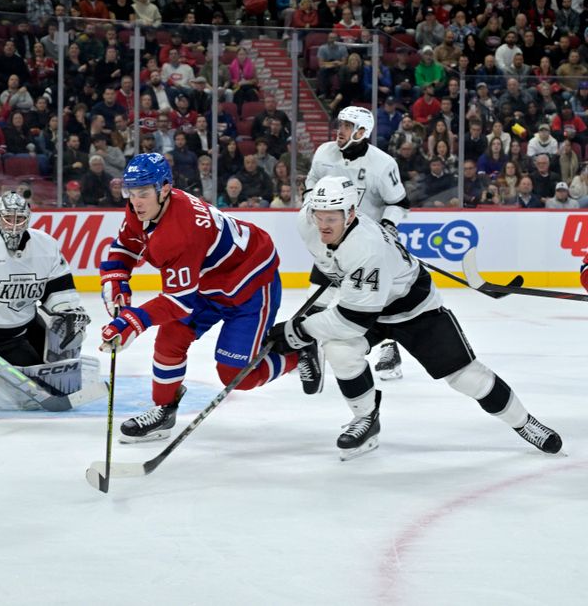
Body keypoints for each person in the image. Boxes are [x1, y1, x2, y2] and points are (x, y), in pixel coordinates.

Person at [265, 176, 563, 460]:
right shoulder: (307, 222)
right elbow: (330, 267)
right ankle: (366, 420)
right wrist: (308, 327)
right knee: (341, 351)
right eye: (318, 215)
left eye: (332, 218)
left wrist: (298, 332)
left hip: (415, 308)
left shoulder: (367, 247)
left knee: (467, 378)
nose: (323, 225)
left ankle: (524, 423)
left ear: (351, 213)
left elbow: (353, 319)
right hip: (370, 303)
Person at [98, 153, 322, 443]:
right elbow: (126, 246)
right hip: (204, 284)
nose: (136, 201)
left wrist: (133, 321)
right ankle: (164, 410)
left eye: (143, 193)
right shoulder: (141, 210)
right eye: (131, 192)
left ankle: (298, 354)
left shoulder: (182, 231)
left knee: (235, 376)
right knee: (170, 340)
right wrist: (115, 277)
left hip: (249, 285)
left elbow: (178, 302)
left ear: (164, 189)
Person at [0, 191, 95, 412]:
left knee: (62, 344)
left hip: (29, 323)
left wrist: (71, 313)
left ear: (28, 219)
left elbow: (59, 291)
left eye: (20, 219)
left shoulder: (45, 246)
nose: (14, 225)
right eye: (8, 218)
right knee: (39, 378)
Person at [305, 106, 409, 381]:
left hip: (368, 248)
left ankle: (389, 348)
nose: (340, 131)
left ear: (363, 132)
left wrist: (388, 225)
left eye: (348, 126)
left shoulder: (383, 164)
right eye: (340, 124)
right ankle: (307, 349)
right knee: (318, 293)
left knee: (380, 300)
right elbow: (311, 182)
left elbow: (399, 203)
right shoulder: (324, 153)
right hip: (334, 241)